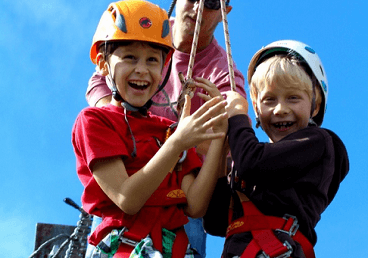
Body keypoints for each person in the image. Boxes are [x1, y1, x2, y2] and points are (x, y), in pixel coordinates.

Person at [85, 1, 246, 257]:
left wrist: (214, 135)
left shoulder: (221, 73)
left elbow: (195, 205)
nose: (142, 69)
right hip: (122, 231)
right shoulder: (153, 31)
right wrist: (127, 127)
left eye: (212, 3)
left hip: (173, 224)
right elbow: (127, 199)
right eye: (130, 58)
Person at [203, 40, 349, 258]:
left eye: (293, 98)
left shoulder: (318, 143)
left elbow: (253, 163)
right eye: (269, 100)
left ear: (315, 105)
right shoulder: (251, 161)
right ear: (257, 111)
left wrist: (237, 117)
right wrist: (220, 150)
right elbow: (215, 221)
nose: (281, 109)